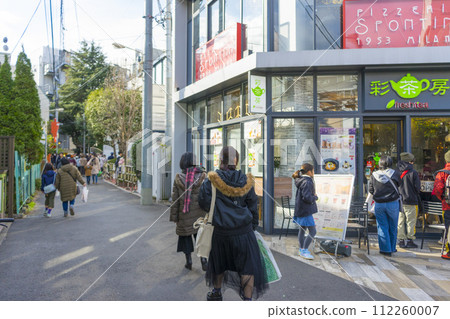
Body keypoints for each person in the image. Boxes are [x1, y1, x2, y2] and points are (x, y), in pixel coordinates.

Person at [198, 146, 267, 301]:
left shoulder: (211, 180)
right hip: (244, 232)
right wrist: (252, 227)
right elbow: (253, 206)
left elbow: (204, 204)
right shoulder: (246, 181)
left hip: (220, 231)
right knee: (247, 267)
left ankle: (216, 292)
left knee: (218, 263)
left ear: (220, 160)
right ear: (236, 161)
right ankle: (247, 300)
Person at [170, 152, 207, 271]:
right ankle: (203, 260)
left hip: (184, 214)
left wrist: (174, 217)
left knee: (185, 237)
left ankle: (189, 261)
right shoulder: (203, 177)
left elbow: (175, 200)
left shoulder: (178, 178)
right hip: (199, 214)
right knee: (199, 236)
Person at [369, 155, 401, 256]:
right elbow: (400, 185)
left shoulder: (374, 175)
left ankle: (385, 249)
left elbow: (370, 190)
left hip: (379, 204)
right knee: (393, 226)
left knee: (382, 226)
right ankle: (392, 248)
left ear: (380, 163)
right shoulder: (395, 173)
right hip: (393, 203)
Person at [292, 163, 318, 260]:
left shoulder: (301, 180)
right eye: (313, 171)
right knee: (313, 231)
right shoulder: (308, 182)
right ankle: (304, 250)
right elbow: (307, 197)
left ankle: (301, 249)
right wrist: (315, 197)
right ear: (309, 172)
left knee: (302, 230)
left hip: (301, 209)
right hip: (306, 210)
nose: (314, 173)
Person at [397, 152, 421, 249]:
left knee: (400, 221)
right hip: (411, 200)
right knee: (411, 221)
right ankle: (410, 240)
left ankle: (401, 240)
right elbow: (417, 188)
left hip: (399, 201)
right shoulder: (413, 172)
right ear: (410, 162)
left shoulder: (397, 172)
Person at [431, 150, 450, 260]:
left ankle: (449, 252)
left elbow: (438, 189)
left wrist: (443, 199)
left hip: (447, 206)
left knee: (449, 228)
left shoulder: (442, 173)